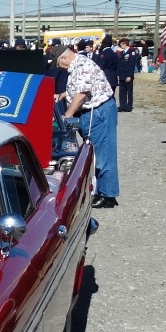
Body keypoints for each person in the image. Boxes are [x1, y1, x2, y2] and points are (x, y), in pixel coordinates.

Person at [58, 45, 119, 208]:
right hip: (90, 113)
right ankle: (98, 190)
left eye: (58, 64)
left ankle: (108, 195)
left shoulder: (83, 66)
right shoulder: (77, 65)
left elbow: (81, 94)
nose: (59, 68)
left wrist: (67, 115)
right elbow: (78, 88)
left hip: (99, 112)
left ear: (64, 58)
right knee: (92, 153)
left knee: (103, 153)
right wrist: (63, 95)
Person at [116, 39, 138, 112]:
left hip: (127, 74)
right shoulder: (122, 53)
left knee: (129, 92)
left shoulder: (131, 52)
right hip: (122, 74)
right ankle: (122, 106)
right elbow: (119, 64)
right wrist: (118, 74)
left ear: (125, 43)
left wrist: (130, 75)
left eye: (121, 44)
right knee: (122, 92)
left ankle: (129, 106)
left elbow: (132, 65)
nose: (120, 45)